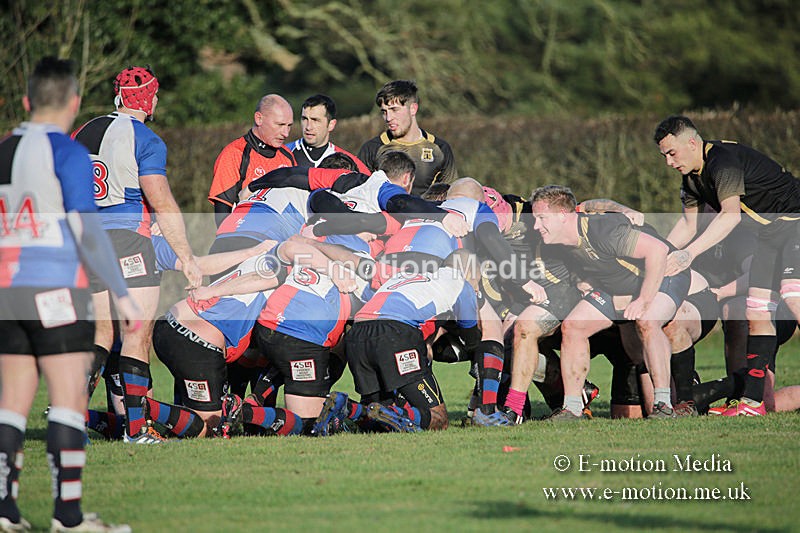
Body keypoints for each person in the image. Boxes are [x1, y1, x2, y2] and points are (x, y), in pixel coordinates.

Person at [0, 56, 137, 533]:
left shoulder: (4, 149)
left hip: (7, 292)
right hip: (54, 286)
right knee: (66, 399)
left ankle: (4, 510)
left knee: (11, 404)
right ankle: (69, 517)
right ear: (75, 103)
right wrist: (120, 292)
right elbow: (87, 229)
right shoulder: (68, 152)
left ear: (26, 101)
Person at [73, 65, 202, 444]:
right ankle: (135, 430)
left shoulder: (83, 131)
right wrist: (187, 257)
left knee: (100, 332)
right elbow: (161, 201)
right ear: (149, 99)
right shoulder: (145, 138)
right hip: (127, 240)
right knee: (136, 332)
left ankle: (69, 418)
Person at [654, 115, 800, 416]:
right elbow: (688, 225)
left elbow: (730, 215)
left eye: (672, 153)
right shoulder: (692, 179)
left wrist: (688, 255)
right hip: (770, 235)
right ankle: (752, 403)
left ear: (692, 143)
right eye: (664, 156)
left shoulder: (723, 161)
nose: (669, 162)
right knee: (756, 311)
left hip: (794, 223)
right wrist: (659, 257)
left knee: (793, 298)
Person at [531, 185, 691, 420]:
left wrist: (644, 299)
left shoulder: (601, 230)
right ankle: (573, 408)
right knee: (573, 327)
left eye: (541, 218)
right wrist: (581, 279)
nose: (536, 226)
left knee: (647, 321)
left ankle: (664, 405)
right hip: (617, 287)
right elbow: (592, 203)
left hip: (663, 275)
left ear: (562, 216)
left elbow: (657, 251)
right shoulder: (563, 239)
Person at [208, 94, 296, 226]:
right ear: (259, 119)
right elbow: (222, 212)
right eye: (280, 124)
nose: (286, 133)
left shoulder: (287, 155)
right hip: (247, 236)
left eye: (289, 126)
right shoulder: (234, 154)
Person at [358, 80, 457, 195]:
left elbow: (450, 196)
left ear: (413, 109)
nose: (388, 118)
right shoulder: (372, 149)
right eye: (384, 112)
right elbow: (360, 194)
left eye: (394, 110)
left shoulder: (440, 148)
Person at [287, 94, 370, 173]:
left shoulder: (350, 163)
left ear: (331, 125)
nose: (308, 127)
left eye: (315, 120)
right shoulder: (284, 154)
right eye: (304, 119)